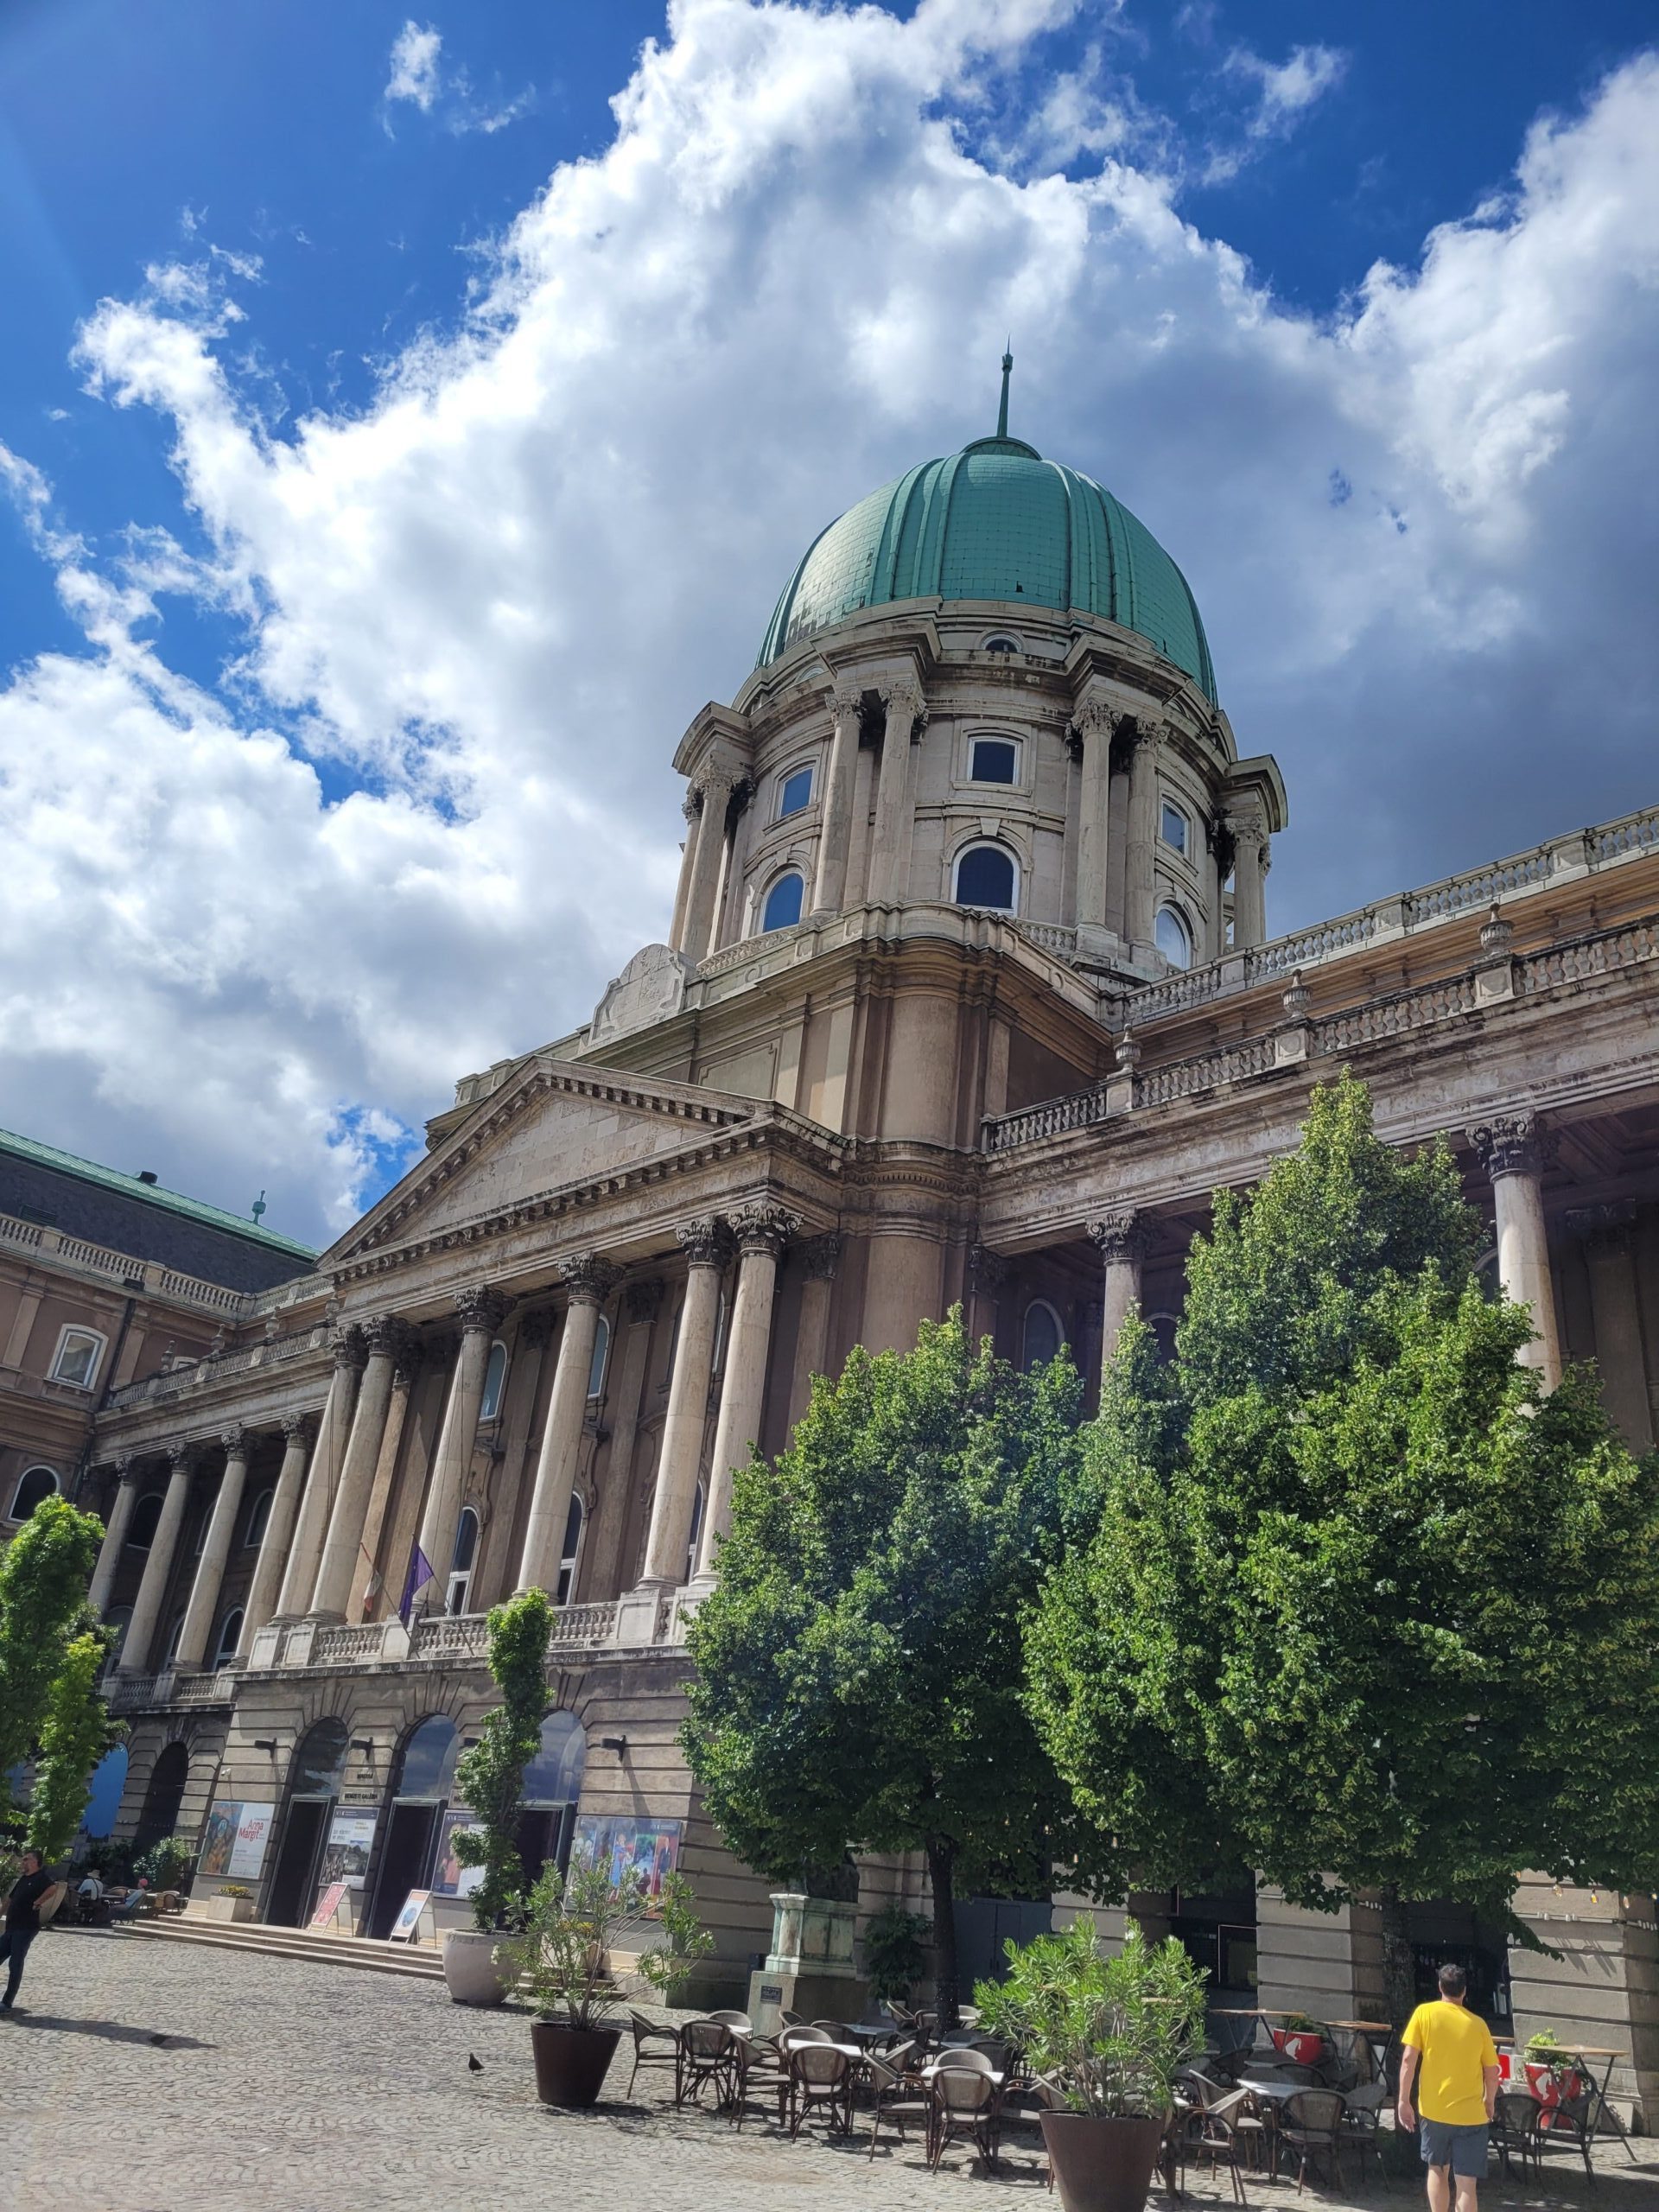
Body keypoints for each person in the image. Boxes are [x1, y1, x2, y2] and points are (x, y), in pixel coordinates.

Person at [1398, 1962, 1501, 2212]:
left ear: (1440, 1987)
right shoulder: (1478, 2025)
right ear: (1464, 1991)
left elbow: (1409, 2060)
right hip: (1471, 2115)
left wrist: (1403, 2100)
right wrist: (1489, 2100)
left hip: (1435, 2110)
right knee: (1467, 2185)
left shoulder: (1424, 2013)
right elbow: (1491, 2071)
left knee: (1437, 2170)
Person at [1, 1850, 65, 2014]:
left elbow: (53, 1888)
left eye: (26, 1859)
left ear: (35, 1862)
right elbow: (11, 1898)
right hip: (11, 1927)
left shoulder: (41, 1878)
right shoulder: (24, 1879)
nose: (22, 1862)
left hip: (26, 1928)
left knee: (15, 1963)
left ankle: (7, 2002)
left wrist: (39, 1901)